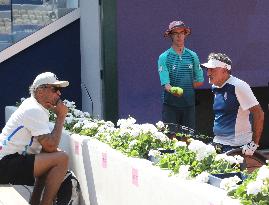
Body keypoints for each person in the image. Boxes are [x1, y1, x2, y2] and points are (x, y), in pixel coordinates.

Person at [0, 72, 69, 205]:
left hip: (7, 162)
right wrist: (61, 117)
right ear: (40, 91)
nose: (59, 94)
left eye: (60, 90)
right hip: (4, 165)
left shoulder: (35, 106)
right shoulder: (34, 110)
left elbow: (47, 148)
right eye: (55, 89)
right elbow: (51, 146)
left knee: (49, 156)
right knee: (61, 158)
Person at [201, 53, 264, 155]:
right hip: (218, 143)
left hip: (237, 147)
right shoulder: (215, 87)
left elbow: (259, 114)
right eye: (207, 69)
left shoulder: (239, 86)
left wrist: (254, 144)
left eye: (212, 69)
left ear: (224, 70)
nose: (208, 73)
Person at [158, 20, 204, 131]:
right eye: (175, 33)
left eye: (181, 33)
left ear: (185, 34)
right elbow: (166, 84)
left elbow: (200, 80)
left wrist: (187, 87)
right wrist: (174, 90)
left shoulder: (193, 56)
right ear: (171, 36)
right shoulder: (164, 57)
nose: (179, 36)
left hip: (189, 105)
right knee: (170, 138)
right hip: (170, 106)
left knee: (188, 139)